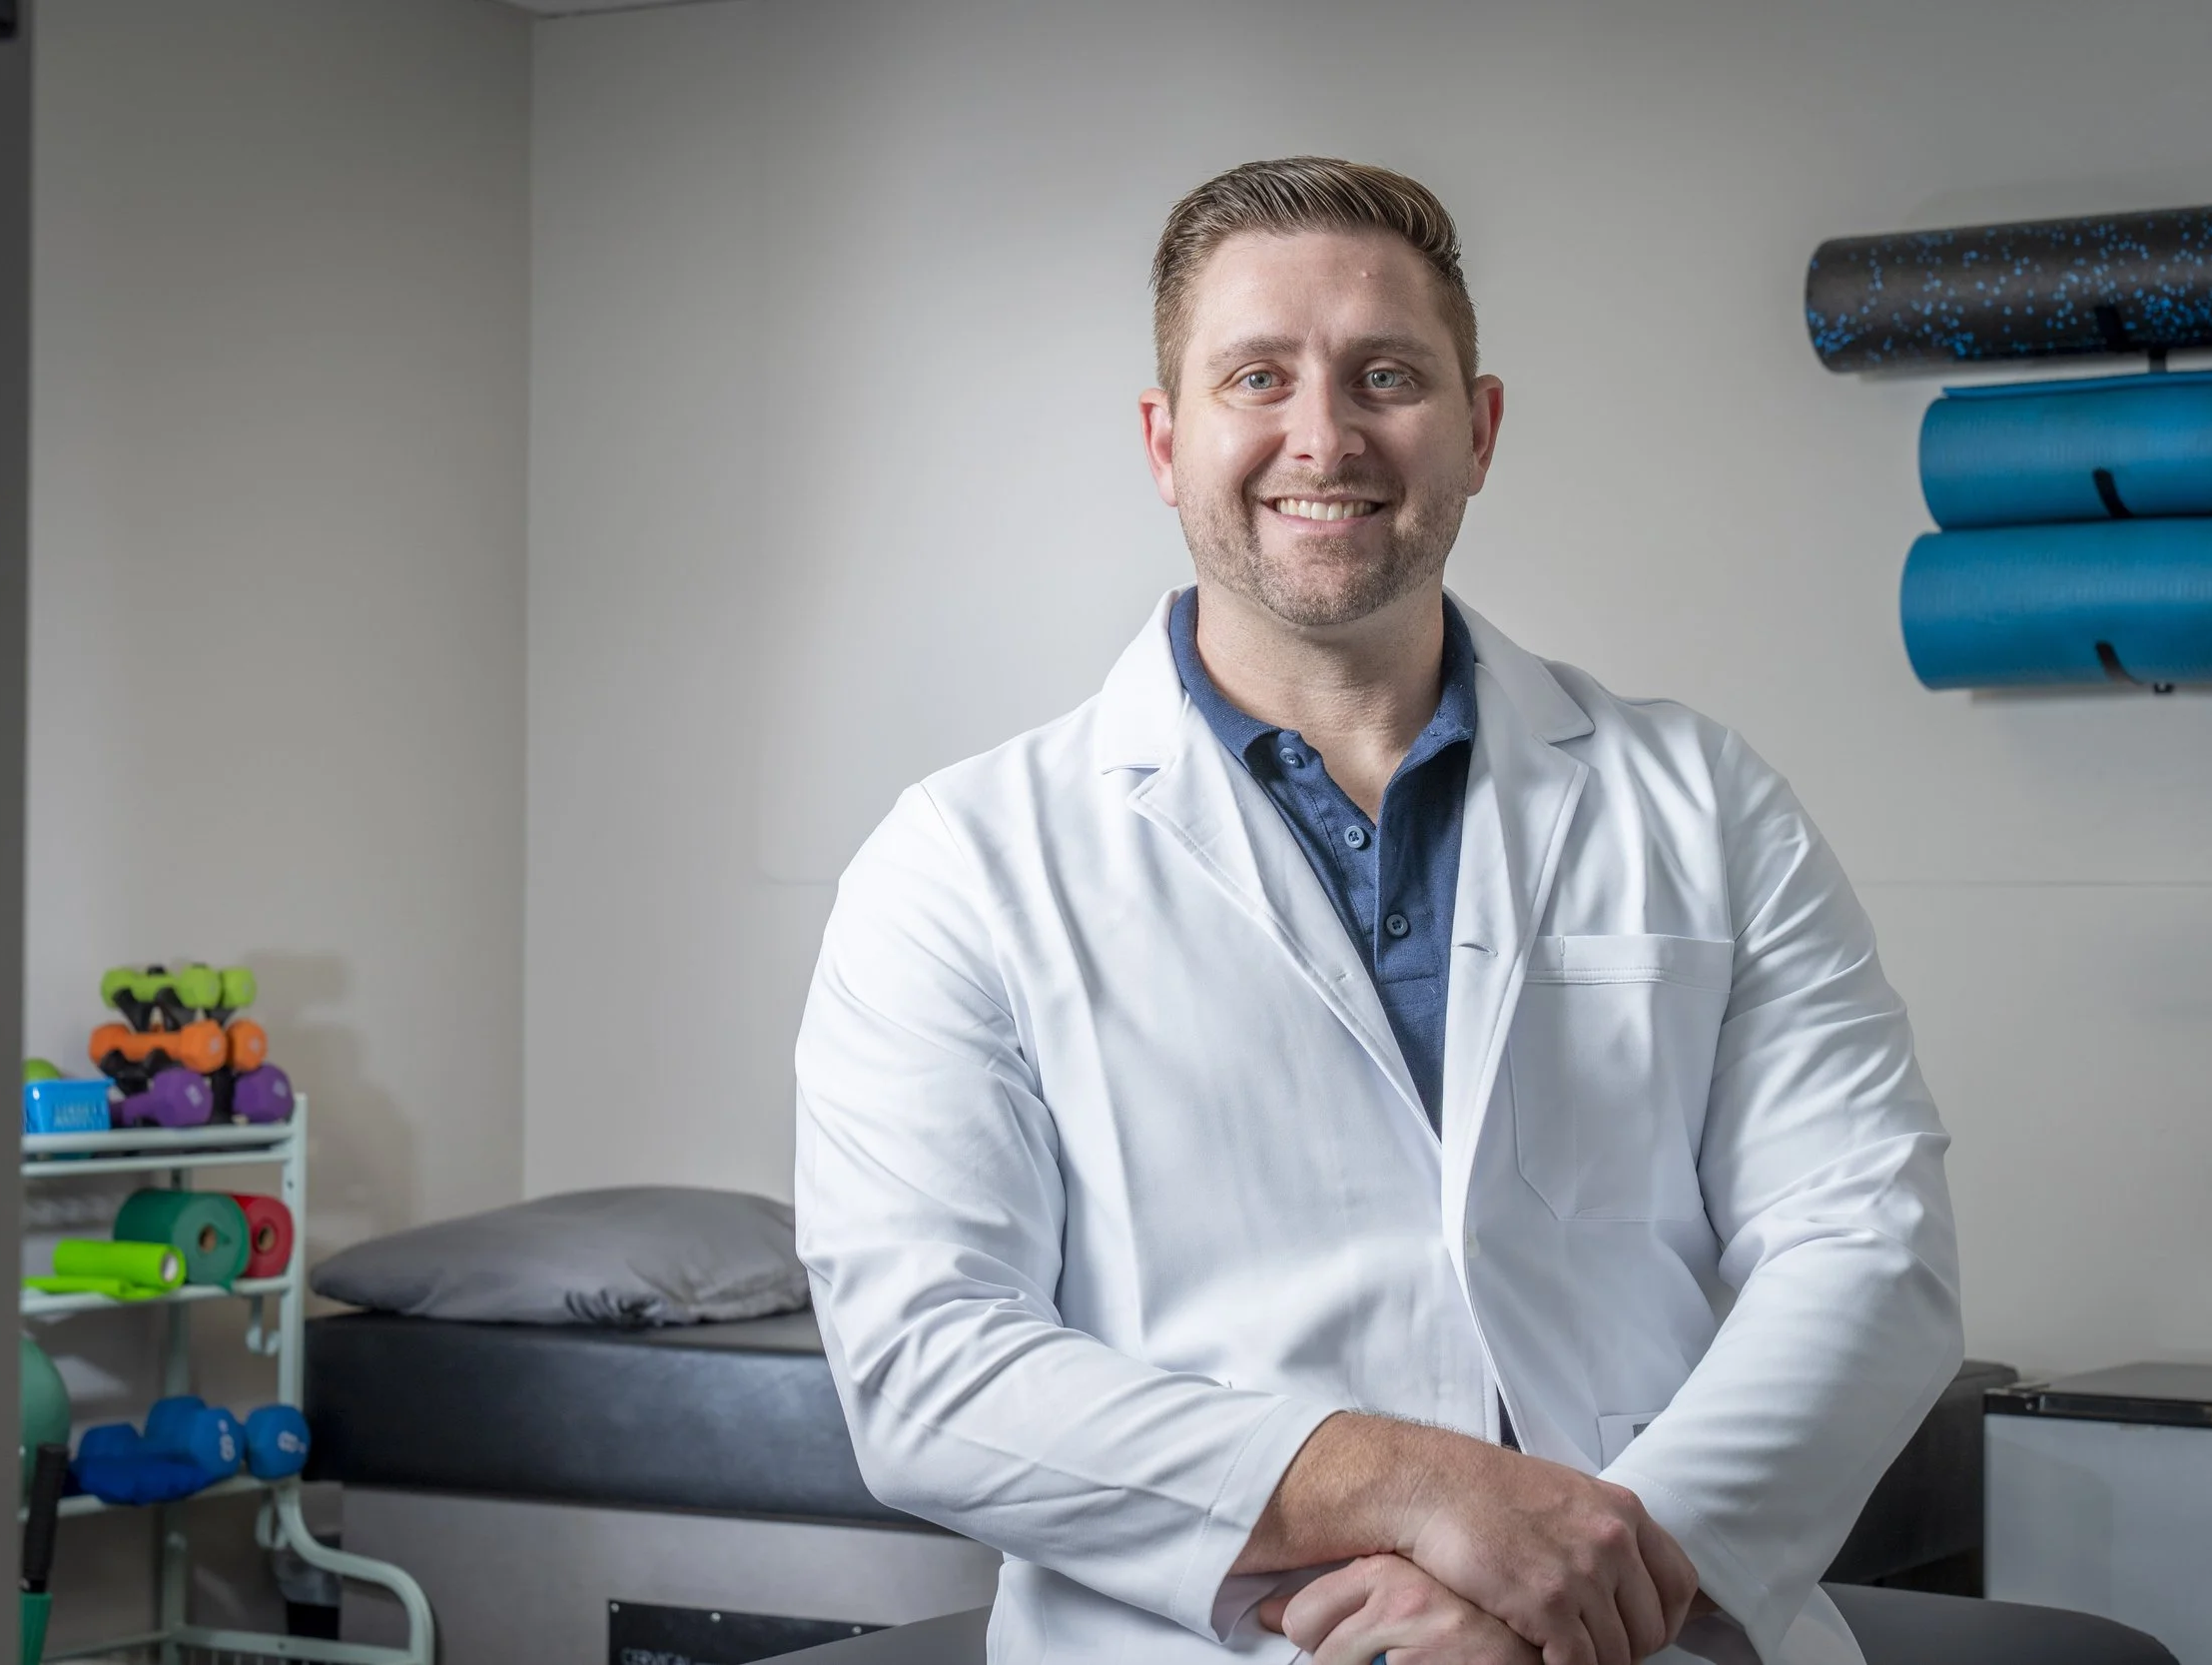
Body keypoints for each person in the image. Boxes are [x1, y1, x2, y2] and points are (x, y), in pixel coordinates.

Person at [795, 158, 1961, 1665]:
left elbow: (1867, 1242)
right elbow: (928, 1368)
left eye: (1386, 374)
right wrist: (1417, 1490)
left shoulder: (1704, 801)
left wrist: (1583, 1576)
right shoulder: (958, 863)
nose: (1322, 435)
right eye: (1256, 376)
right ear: (1167, 440)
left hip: (1658, 1636)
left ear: (1477, 429)